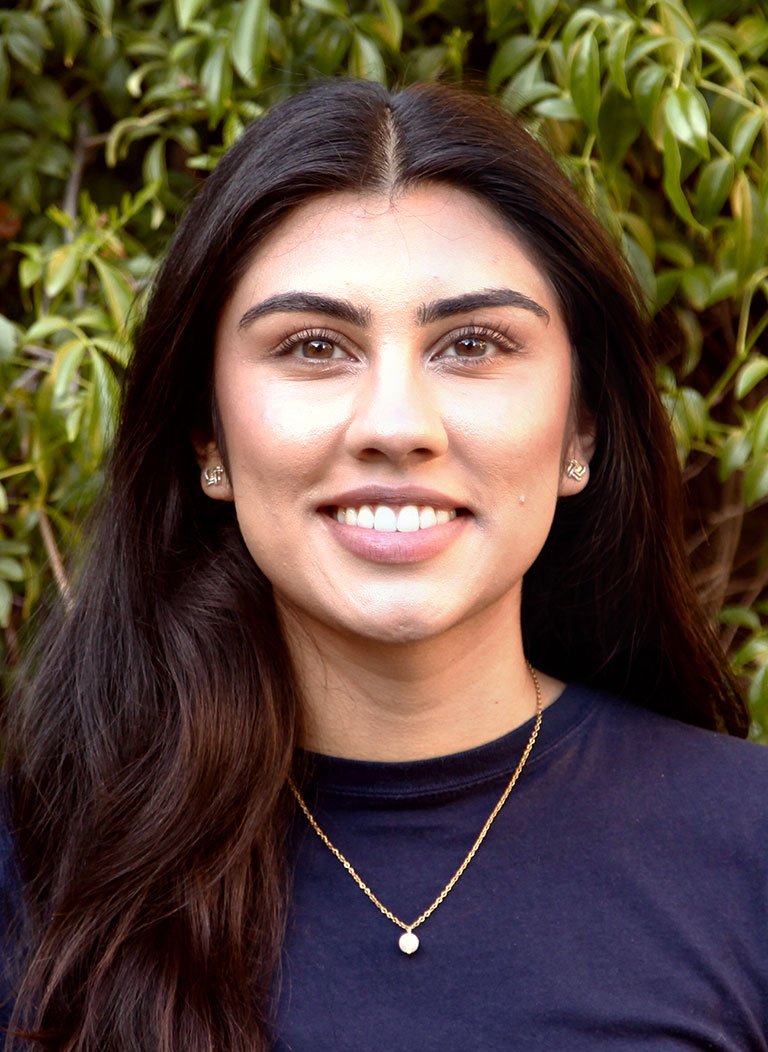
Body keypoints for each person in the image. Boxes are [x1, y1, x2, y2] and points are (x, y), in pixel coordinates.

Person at [1, 78, 766, 1052]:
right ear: (208, 435)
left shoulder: (748, 848)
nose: (396, 425)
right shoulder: (39, 872)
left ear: (582, 428)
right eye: (315, 346)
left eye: (474, 344)